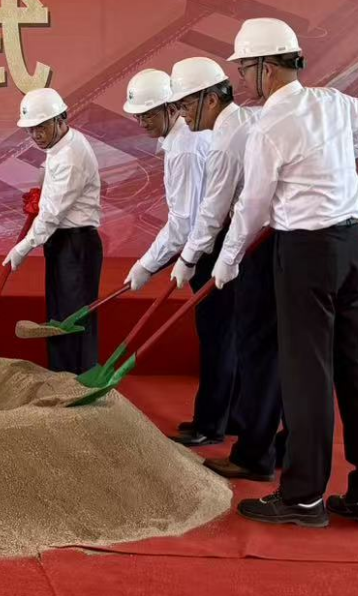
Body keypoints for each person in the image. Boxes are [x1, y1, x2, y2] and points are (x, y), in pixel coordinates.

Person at [210, 18, 358, 530]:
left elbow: (253, 208)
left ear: (266, 67)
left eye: (245, 68)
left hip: (305, 254)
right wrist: (336, 155)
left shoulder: (267, 127)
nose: (242, 78)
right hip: (352, 248)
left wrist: (228, 260)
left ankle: (303, 497)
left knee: (305, 374)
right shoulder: (332, 103)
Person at [169, 55, 279, 467]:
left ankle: (248, 443)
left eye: (185, 104)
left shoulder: (227, 140)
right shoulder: (240, 123)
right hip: (251, 240)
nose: (181, 114)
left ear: (210, 99)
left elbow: (213, 213)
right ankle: (241, 426)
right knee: (244, 340)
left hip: (257, 245)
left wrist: (189, 258)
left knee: (249, 344)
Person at [121, 68, 235, 449]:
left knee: (217, 335)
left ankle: (212, 423)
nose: (142, 122)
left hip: (210, 246)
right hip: (207, 242)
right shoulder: (179, 140)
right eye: (138, 116)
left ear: (170, 108)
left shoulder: (186, 148)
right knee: (222, 334)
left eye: (148, 114)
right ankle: (227, 417)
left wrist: (147, 264)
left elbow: (183, 223)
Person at [3, 87, 102, 374]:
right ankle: (60, 377)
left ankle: (76, 382)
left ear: (60, 119)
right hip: (62, 241)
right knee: (59, 318)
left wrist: (23, 247)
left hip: (76, 244)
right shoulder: (60, 145)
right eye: (31, 129)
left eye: (42, 127)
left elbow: (51, 215)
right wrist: (42, 190)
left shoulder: (70, 155)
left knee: (72, 321)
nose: (36, 135)